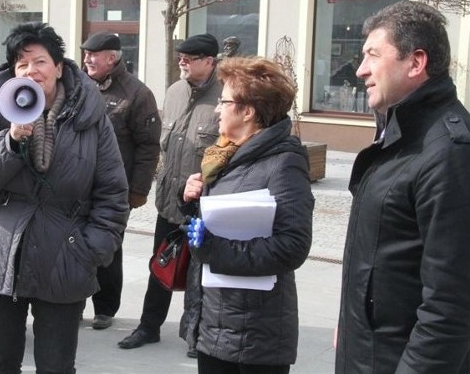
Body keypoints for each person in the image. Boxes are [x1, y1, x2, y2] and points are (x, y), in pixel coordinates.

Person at [0, 22, 129, 373]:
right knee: (0, 362)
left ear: (59, 68)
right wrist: (10, 141)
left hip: (65, 258)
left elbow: (112, 192)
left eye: (39, 62)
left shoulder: (91, 118)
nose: (31, 71)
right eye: (22, 64)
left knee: (56, 365)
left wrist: (91, 250)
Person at [335, 1, 470, 373]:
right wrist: (349, 327)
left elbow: (450, 305)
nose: (361, 70)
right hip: (367, 352)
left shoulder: (448, 152)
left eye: (373, 56)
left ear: (415, 62)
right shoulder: (400, 135)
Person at [179, 56, 314, 374]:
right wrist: (190, 200)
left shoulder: (283, 163)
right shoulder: (224, 154)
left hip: (256, 336)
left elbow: (292, 246)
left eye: (223, 102)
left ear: (248, 111)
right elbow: (214, 220)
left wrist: (215, 250)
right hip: (214, 323)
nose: (216, 109)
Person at [118, 33, 222, 355]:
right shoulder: (175, 91)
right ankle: (149, 326)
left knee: (200, 273)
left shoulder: (226, 96)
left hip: (205, 206)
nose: (182, 62)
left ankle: (195, 333)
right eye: (180, 57)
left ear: (210, 61)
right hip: (170, 201)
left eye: (189, 58)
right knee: (160, 266)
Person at [81, 31, 161, 330]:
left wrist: (138, 189)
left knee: (107, 250)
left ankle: (105, 309)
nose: (86, 59)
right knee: (72, 245)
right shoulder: (78, 85)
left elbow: (149, 146)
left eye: (93, 55)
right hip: (75, 185)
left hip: (113, 189)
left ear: (112, 58)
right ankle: (72, 302)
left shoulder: (137, 93)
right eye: (85, 53)